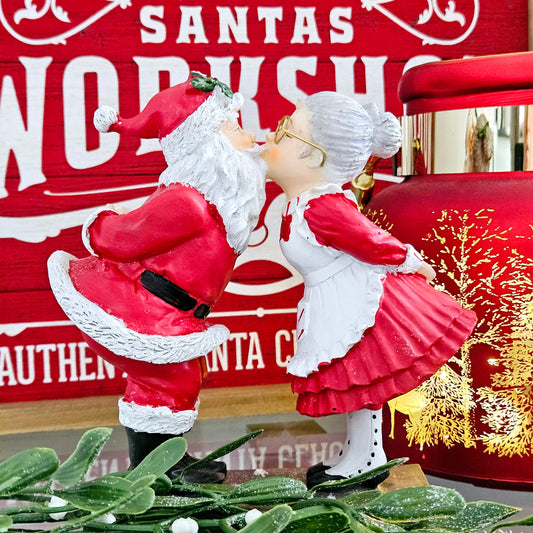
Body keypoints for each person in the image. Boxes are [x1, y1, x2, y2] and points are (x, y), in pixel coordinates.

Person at [48, 73, 266, 482]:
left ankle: (166, 463)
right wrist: (100, 224)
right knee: (168, 380)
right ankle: (153, 472)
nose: (248, 134)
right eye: (234, 126)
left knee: (183, 380)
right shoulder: (189, 202)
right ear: (207, 144)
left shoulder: (224, 200)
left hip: (179, 314)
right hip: (145, 308)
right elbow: (120, 239)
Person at [261, 92, 476, 488]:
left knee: (358, 383)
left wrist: (413, 262)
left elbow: (372, 240)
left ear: (315, 157)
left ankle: (366, 458)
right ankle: (359, 453)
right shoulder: (302, 201)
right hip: (329, 300)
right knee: (352, 385)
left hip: (356, 305)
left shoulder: (322, 206)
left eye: (288, 132)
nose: (274, 136)